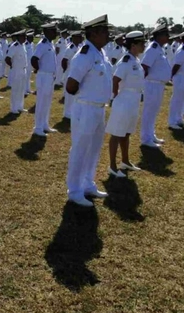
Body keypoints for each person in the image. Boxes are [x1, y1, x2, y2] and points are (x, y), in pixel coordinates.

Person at [65, 14, 112, 207]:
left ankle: (88, 183)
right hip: (85, 109)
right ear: (93, 34)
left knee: (93, 149)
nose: (108, 35)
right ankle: (74, 190)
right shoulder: (84, 54)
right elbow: (70, 85)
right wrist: (85, 96)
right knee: (80, 149)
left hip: (99, 109)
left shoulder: (100, 53)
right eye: (105, 32)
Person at [106, 31, 146, 177]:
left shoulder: (136, 60)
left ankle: (125, 161)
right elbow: (115, 79)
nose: (144, 45)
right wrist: (114, 97)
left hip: (133, 99)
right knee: (116, 133)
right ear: (133, 45)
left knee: (126, 132)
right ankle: (112, 165)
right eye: (141, 43)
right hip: (124, 100)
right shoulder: (126, 61)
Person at [140, 23, 171, 148]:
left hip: (157, 85)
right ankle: (145, 138)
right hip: (152, 85)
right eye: (166, 35)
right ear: (159, 36)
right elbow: (144, 67)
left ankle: (151, 135)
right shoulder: (152, 48)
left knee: (154, 111)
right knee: (149, 111)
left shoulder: (158, 48)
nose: (168, 37)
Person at [31, 22, 59, 136]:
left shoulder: (50, 43)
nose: (56, 33)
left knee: (47, 101)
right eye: (54, 31)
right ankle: (38, 127)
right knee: (42, 102)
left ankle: (44, 124)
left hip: (50, 76)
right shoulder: (42, 44)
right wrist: (39, 70)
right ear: (47, 32)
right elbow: (34, 59)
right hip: (44, 76)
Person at [168, 29, 184, 129]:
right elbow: (177, 64)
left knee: (182, 99)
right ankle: (172, 121)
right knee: (176, 99)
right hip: (180, 77)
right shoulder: (182, 49)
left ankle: (178, 118)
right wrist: (172, 76)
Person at [60, 31, 83, 120]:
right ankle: (67, 113)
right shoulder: (70, 48)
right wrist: (66, 71)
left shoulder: (80, 47)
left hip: (77, 74)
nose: (81, 39)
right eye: (79, 37)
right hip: (70, 73)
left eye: (81, 37)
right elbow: (64, 61)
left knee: (75, 94)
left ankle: (72, 112)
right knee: (69, 95)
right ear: (74, 38)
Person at [5, 30, 28, 114]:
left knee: (21, 89)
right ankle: (13, 108)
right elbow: (7, 58)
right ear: (19, 37)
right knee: (15, 90)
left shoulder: (23, 45)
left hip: (23, 69)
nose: (25, 38)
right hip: (16, 70)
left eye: (25, 37)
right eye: (23, 37)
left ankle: (20, 106)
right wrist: (12, 66)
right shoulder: (14, 46)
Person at [24, 29, 35, 95]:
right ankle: (24, 90)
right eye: (32, 37)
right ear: (28, 37)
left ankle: (28, 89)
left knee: (28, 77)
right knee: (25, 77)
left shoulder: (32, 44)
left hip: (30, 63)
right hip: (26, 63)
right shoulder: (25, 44)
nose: (33, 38)